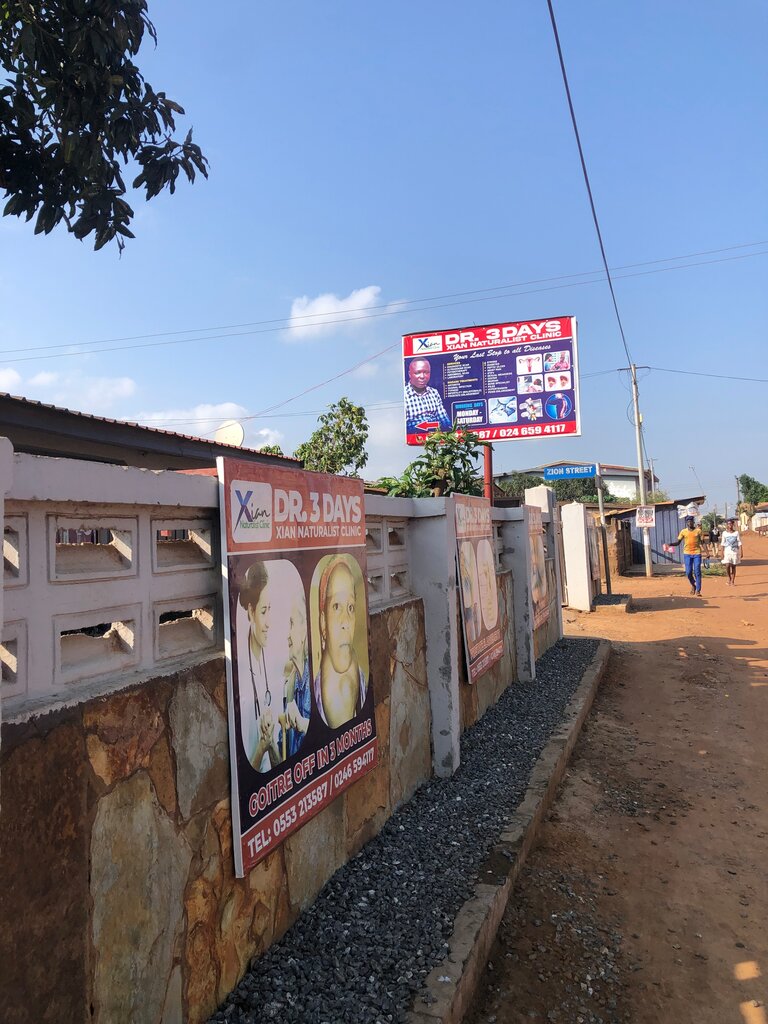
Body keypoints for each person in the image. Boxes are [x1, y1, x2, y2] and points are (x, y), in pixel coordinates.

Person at [238, 561, 284, 771]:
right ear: (250, 612)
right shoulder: (240, 671)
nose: (269, 623)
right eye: (263, 611)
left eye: (270, 610)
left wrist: (270, 743)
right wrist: (260, 749)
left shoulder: (272, 661)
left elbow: (277, 760)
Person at [313, 556, 367, 729]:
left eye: (351, 607)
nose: (346, 622)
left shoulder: (361, 679)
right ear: (323, 623)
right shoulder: (312, 699)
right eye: (336, 606)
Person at [283, 597, 312, 756]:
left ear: (304, 632)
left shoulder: (317, 681)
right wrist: (267, 744)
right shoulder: (289, 686)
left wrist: (303, 724)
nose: (287, 635)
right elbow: (285, 756)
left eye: (292, 624)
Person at [404, 358, 450, 432]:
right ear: (410, 374)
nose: (422, 376)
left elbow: (444, 421)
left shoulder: (434, 393)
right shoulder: (404, 395)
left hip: (436, 436)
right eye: (417, 372)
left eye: (426, 372)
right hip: (415, 436)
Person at [667, 515, 703, 596]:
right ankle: (693, 585)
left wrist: (707, 553)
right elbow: (678, 542)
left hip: (697, 553)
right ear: (687, 523)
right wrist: (670, 544)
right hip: (687, 554)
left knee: (697, 571)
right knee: (688, 572)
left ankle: (698, 590)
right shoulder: (683, 531)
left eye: (691, 521)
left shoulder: (698, 531)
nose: (690, 523)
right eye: (688, 522)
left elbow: (702, 543)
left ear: (693, 522)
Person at [720, 517, 743, 586]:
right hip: (727, 552)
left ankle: (732, 581)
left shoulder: (736, 533)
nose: (729, 525)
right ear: (727, 525)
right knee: (727, 565)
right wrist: (721, 553)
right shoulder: (724, 533)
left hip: (734, 552)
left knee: (733, 566)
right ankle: (729, 578)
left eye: (730, 524)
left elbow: (739, 542)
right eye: (728, 524)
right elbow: (722, 543)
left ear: (733, 525)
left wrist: (741, 551)